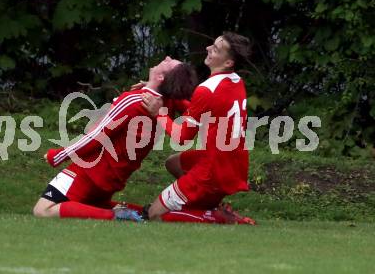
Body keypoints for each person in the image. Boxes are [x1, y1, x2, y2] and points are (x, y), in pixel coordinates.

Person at [33, 56, 199, 221]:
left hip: (90, 171)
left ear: (161, 77)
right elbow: (195, 107)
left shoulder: (135, 100)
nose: (167, 58)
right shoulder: (164, 105)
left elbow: (95, 136)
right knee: (92, 204)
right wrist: (155, 88)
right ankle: (144, 213)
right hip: (112, 178)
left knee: (43, 210)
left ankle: (116, 215)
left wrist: (58, 155)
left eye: (169, 62)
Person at [141, 32, 256, 225]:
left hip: (212, 169)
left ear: (228, 63)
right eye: (212, 45)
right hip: (233, 164)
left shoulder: (206, 89)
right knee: (173, 163)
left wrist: (159, 112)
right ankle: (205, 203)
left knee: (153, 215)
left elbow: (181, 137)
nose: (208, 49)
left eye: (216, 49)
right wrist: (167, 94)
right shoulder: (236, 81)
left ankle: (214, 216)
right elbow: (205, 110)